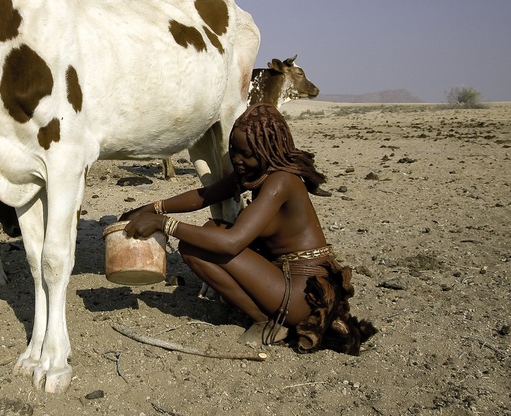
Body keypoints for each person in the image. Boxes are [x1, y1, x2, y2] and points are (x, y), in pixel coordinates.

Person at [121, 103, 375, 354]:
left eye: (246, 154)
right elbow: (206, 195)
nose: (238, 160)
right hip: (291, 282)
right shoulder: (261, 172)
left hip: (300, 295)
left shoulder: (280, 182)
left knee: (193, 246)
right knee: (212, 228)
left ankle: (266, 322)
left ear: (269, 149)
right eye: (234, 151)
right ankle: (265, 310)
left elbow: (231, 243)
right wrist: (153, 208)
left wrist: (165, 224)